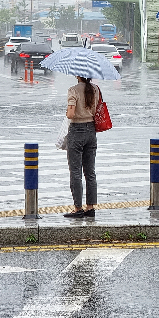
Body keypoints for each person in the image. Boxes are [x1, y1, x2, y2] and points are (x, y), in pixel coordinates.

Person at [63, 76, 99, 218]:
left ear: (78, 75)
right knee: (90, 172)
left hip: (76, 131)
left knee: (76, 171)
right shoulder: (95, 89)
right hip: (91, 131)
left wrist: (67, 112)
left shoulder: (73, 90)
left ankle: (78, 208)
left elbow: (71, 114)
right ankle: (90, 208)